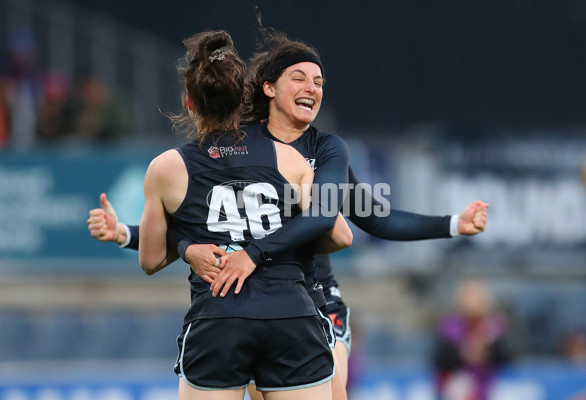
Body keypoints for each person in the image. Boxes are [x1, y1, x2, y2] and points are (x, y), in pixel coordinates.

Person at [88, 20, 488, 400]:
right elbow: (195, 227)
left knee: (334, 390)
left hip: (315, 293)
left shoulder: (325, 149)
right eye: (299, 77)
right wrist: (158, 240)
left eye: (318, 82)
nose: (311, 88)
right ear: (267, 88)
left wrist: (452, 224)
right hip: (264, 296)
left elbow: (370, 218)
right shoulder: (245, 142)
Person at [133, 29, 352, 400]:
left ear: (188, 102)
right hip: (291, 316)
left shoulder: (166, 168)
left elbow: (151, 259)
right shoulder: (289, 158)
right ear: (241, 100)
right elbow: (340, 235)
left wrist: (188, 246)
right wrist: (269, 247)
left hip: (218, 317)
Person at [432, 278, 511, 400]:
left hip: (486, 388)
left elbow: (506, 355)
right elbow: (440, 359)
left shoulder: (494, 326)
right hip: (455, 390)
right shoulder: (449, 326)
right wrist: (463, 353)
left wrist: (486, 350)